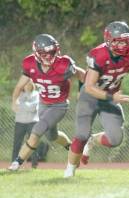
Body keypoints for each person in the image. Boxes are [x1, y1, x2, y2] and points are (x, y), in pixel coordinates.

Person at [64, 21, 129, 178]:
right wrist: (112, 97)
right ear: (108, 40)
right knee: (81, 135)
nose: (122, 45)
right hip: (90, 97)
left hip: (111, 96)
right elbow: (90, 86)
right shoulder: (99, 55)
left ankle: (92, 141)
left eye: (125, 40)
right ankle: (70, 171)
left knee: (115, 139)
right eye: (118, 41)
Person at [8, 34, 86, 171]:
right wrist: (14, 100)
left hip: (59, 105)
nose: (49, 56)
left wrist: (81, 92)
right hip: (43, 103)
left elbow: (83, 74)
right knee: (52, 136)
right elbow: (20, 85)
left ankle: (17, 163)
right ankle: (70, 146)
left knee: (37, 129)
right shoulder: (29, 63)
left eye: (52, 52)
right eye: (45, 54)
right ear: (36, 53)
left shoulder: (64, 64)